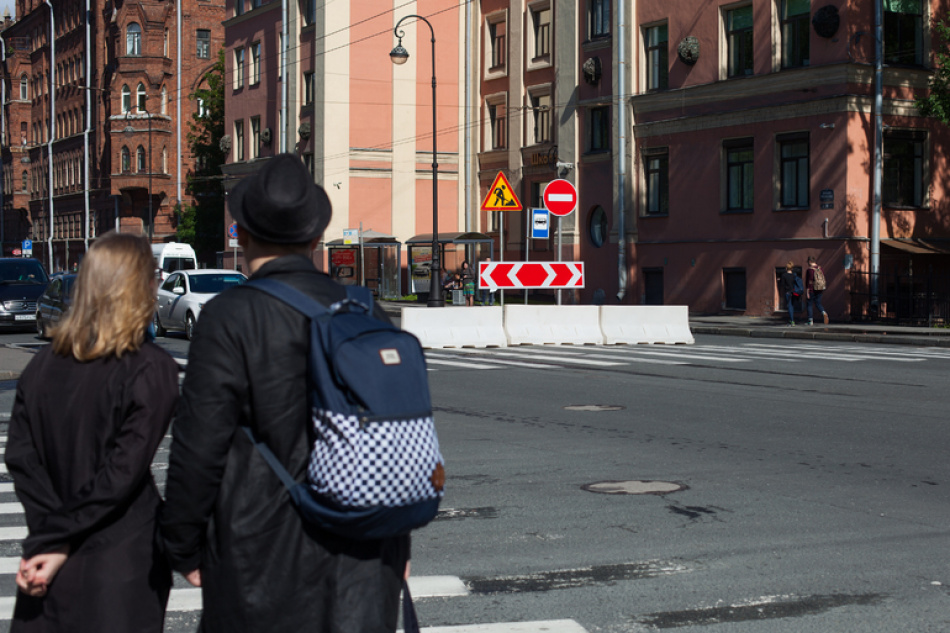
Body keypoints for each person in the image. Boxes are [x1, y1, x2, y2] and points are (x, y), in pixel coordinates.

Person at [160, 153, 410, 633]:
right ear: (315, 238)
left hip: (260, 556)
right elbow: (395, 438)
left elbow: (198, 446)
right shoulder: (363, 311)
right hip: (364, 552)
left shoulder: (229, 318)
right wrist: (397, 543)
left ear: (244, 234)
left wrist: (183, 546)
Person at [4, 231, 178, 632]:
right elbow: (120, 475)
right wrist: (59, 539)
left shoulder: (43, 364)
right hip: (121, 558)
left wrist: (48, 536)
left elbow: (22, 459)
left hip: (48, 555)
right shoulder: (151, 369)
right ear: (140, 287)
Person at [805, 255, 829, 325]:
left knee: (809, 304)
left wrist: (807, 291)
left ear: (809, 261)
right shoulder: (820, 269)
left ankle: (810, 320)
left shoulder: (810, 270)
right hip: (820, 288)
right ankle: (823, 312)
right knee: (818, 303)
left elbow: (809, 281)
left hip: (812, 289)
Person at [779, 260, 799, 326]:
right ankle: (791, 320)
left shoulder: (784, 275)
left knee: (790, 306)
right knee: (792, 306)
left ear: (786, 268)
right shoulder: (794, 275)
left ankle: (792, 321)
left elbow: (783, 284)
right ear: (792, 268)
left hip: (788, 292)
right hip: (794, 292)